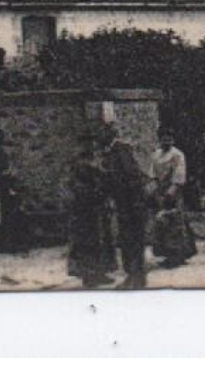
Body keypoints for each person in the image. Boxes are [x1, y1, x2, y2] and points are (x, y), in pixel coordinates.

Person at [98, 122, 151, 289]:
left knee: (134, 240)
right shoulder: (110, 152)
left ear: (110, 134)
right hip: (124, 205)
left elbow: (131, 178)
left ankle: (137, 278)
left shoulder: (121, 150)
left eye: (102, 134)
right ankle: (132, 276)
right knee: (126, 240)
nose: (99, 138)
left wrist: (133, 204)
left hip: (131, 205)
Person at [66, 137, 117, 287]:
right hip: (84, 214)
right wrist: (98, 194)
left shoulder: (95, 169)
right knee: (87, 244)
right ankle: (89, 276)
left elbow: (105, 181)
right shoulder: (79, 172)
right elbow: (80, 192)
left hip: (96, 212)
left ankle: (100, 273)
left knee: (100, 243)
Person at [151, 130, 198, 268]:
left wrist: (171, 191)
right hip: (160, 189)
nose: (166, 141)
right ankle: (167, 254)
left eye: (169, 139)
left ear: (173, 140)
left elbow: (179, 174)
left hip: (173, 190)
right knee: (162, 222)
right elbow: (152, 173)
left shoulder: (177, 154)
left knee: (175, 222)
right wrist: (155, 190)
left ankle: (178, 255)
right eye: (164, 139)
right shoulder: (156, 154)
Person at [0, 128, 27, 251]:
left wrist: (1, 176)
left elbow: (3, 169)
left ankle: (2, 241)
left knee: (1, 214)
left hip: (1, 185)